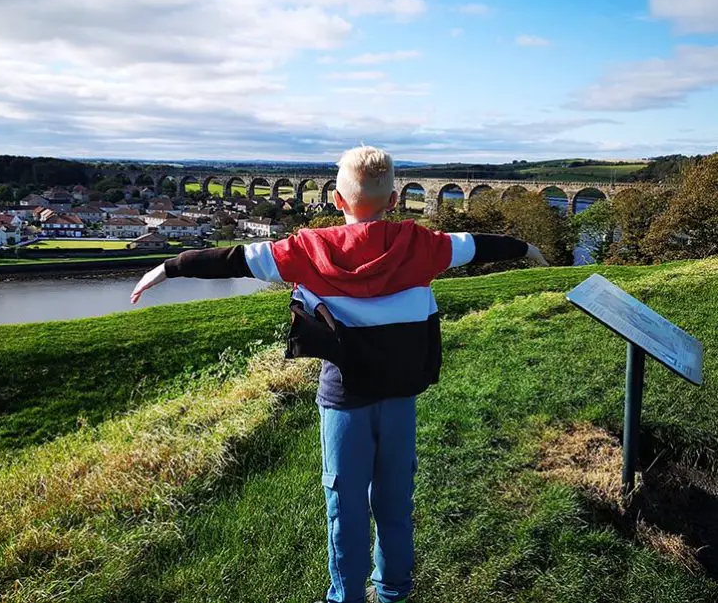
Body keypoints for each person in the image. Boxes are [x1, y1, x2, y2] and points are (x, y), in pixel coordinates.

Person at [131, 146, 549, 603]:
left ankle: (345, 596)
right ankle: (392, 593)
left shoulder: (307, 250)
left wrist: (168, 268)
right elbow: (479, 244)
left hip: (344, 396)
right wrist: (526, 248)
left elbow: (233, 258)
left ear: (337, 200)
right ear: (393, 201)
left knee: (344, 505)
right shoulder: (422, 246)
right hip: (400, 393)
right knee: (393, 503)